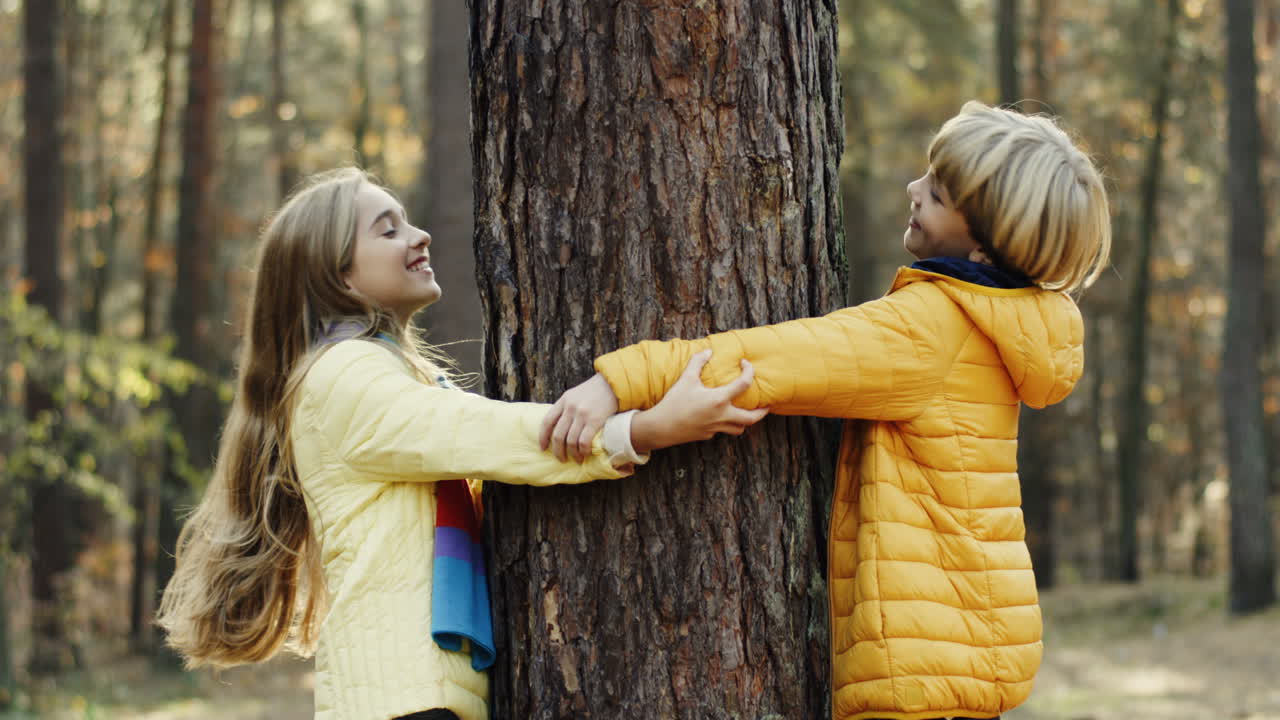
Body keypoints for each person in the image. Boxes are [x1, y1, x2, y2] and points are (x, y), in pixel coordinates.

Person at [542, 101, 1112, 720]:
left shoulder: (932, 327)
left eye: (939, 194)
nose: (913, 190)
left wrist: (619, 382)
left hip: (922, 669)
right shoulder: (998, 324)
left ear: (983, 249)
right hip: (962, 646)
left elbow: (767, 358)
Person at [155, 167, 768, 720]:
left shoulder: (372, 370)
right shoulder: (344, 374)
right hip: (403, 697)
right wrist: (645, 427)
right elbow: (482, 434)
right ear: (337, 271)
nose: (418, 236)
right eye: (388, 230)